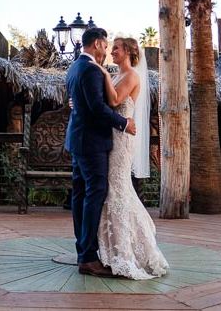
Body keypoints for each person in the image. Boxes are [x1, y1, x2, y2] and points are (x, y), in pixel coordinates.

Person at [64, 27, 136, 277]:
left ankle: (82, 250)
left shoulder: (74, 67)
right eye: (105, 46)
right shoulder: (92, 69)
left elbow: (76, 102)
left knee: (81, 194)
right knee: (95, 193)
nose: (106, 52)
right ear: (97, 44)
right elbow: (96, 108)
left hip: (78, 140)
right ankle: (88, 257)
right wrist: (124, 123)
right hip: (92, 142)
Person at [96, 37, 169, 280]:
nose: (112, 52)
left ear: (127, 51)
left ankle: (129, 252)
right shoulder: (117, 75)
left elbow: (115, 100)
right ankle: (113, 248)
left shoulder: (130, 77)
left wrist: (103, 74)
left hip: (122, 140)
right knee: (114, 190)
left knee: (118, 188)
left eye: (116, 48)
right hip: (112, 137)